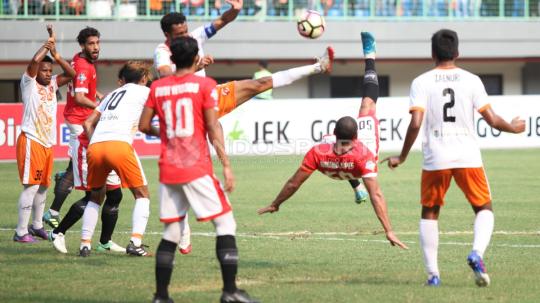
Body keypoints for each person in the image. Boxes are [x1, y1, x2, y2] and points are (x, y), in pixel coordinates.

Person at [381, 29, 526, 287]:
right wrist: (514, 128)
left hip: (436, 157)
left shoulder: (421, 82)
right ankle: (476, 253)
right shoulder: (472, 80)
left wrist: (402, 157)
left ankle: (433, 275)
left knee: (430, 212)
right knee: (484, 208)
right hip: (468, 156)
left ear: (432, 53)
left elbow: (415, 123)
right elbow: (491, 119)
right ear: (457, 53)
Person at [258, 32, 408, 252]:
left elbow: (294, 183)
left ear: (334, 133)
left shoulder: (319, 151)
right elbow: (376, 194)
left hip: (336, 161)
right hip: (360, 155)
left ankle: (356, 187)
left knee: (342, 141)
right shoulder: (364, 156)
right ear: (355, 137)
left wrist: (276, 203)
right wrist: (389, 230)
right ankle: (370, 58)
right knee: (368, 104)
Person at [139, 36, 259, 303]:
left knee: (171, 233)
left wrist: (168, 134)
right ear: (196, 59)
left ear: (172, 60)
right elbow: (213, 126)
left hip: (168, 169)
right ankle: (229, 292)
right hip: (196, 166)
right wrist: (226, 164)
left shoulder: (157, 88)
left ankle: (161, 296)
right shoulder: (204, 85)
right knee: (225, 222)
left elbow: (144, 126)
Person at [47, 27, 125, 255]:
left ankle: (105, 242)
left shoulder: (83, 62)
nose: (96, 47)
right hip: (81, 127)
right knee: (94, 193)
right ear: (82, 45)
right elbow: (80, 98)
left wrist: (99, 96)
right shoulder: (82, 66)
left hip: (87, 124)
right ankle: (57, 231)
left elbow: (84, 92)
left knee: (115, 193)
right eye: (91, 43)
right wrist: (103, 107)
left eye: (97, 42)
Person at [76, 61, 154, 257]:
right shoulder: (144, 92)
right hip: (119, 145)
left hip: (95, 147)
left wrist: (97, 141)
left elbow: (87, 123)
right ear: (143, 78)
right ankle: (135, 243)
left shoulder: (111, 94)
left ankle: (85, 244)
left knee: (95, 197)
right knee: (142, 195)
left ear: (124, 78)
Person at [14, 25, 76, 243]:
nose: (48, 74)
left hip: (47, 143)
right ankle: (21, 231)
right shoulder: (28, 83)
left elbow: (71, 74)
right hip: (32, 140)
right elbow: (33, 63)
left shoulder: (51, 84)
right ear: (36, 71)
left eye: (50, 71)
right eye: (44, 70)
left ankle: (37, 225)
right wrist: (47, 43)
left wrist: (56, 55)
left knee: (43, 187)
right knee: (31, 187)